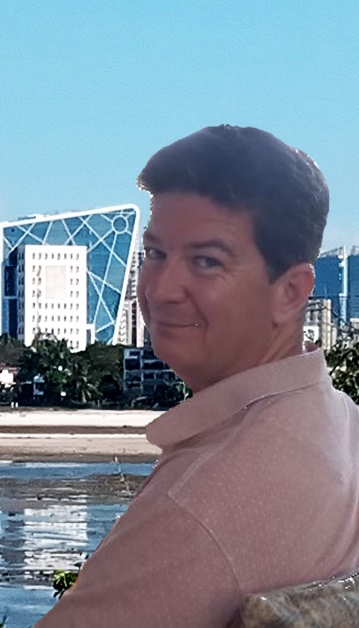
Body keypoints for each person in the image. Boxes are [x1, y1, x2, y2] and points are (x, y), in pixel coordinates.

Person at [36, 125, 359, 626]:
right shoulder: (342, 423)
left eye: (207, 261)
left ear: (291, 292)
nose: (162, 289)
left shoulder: (201, 503)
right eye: (155, 254)